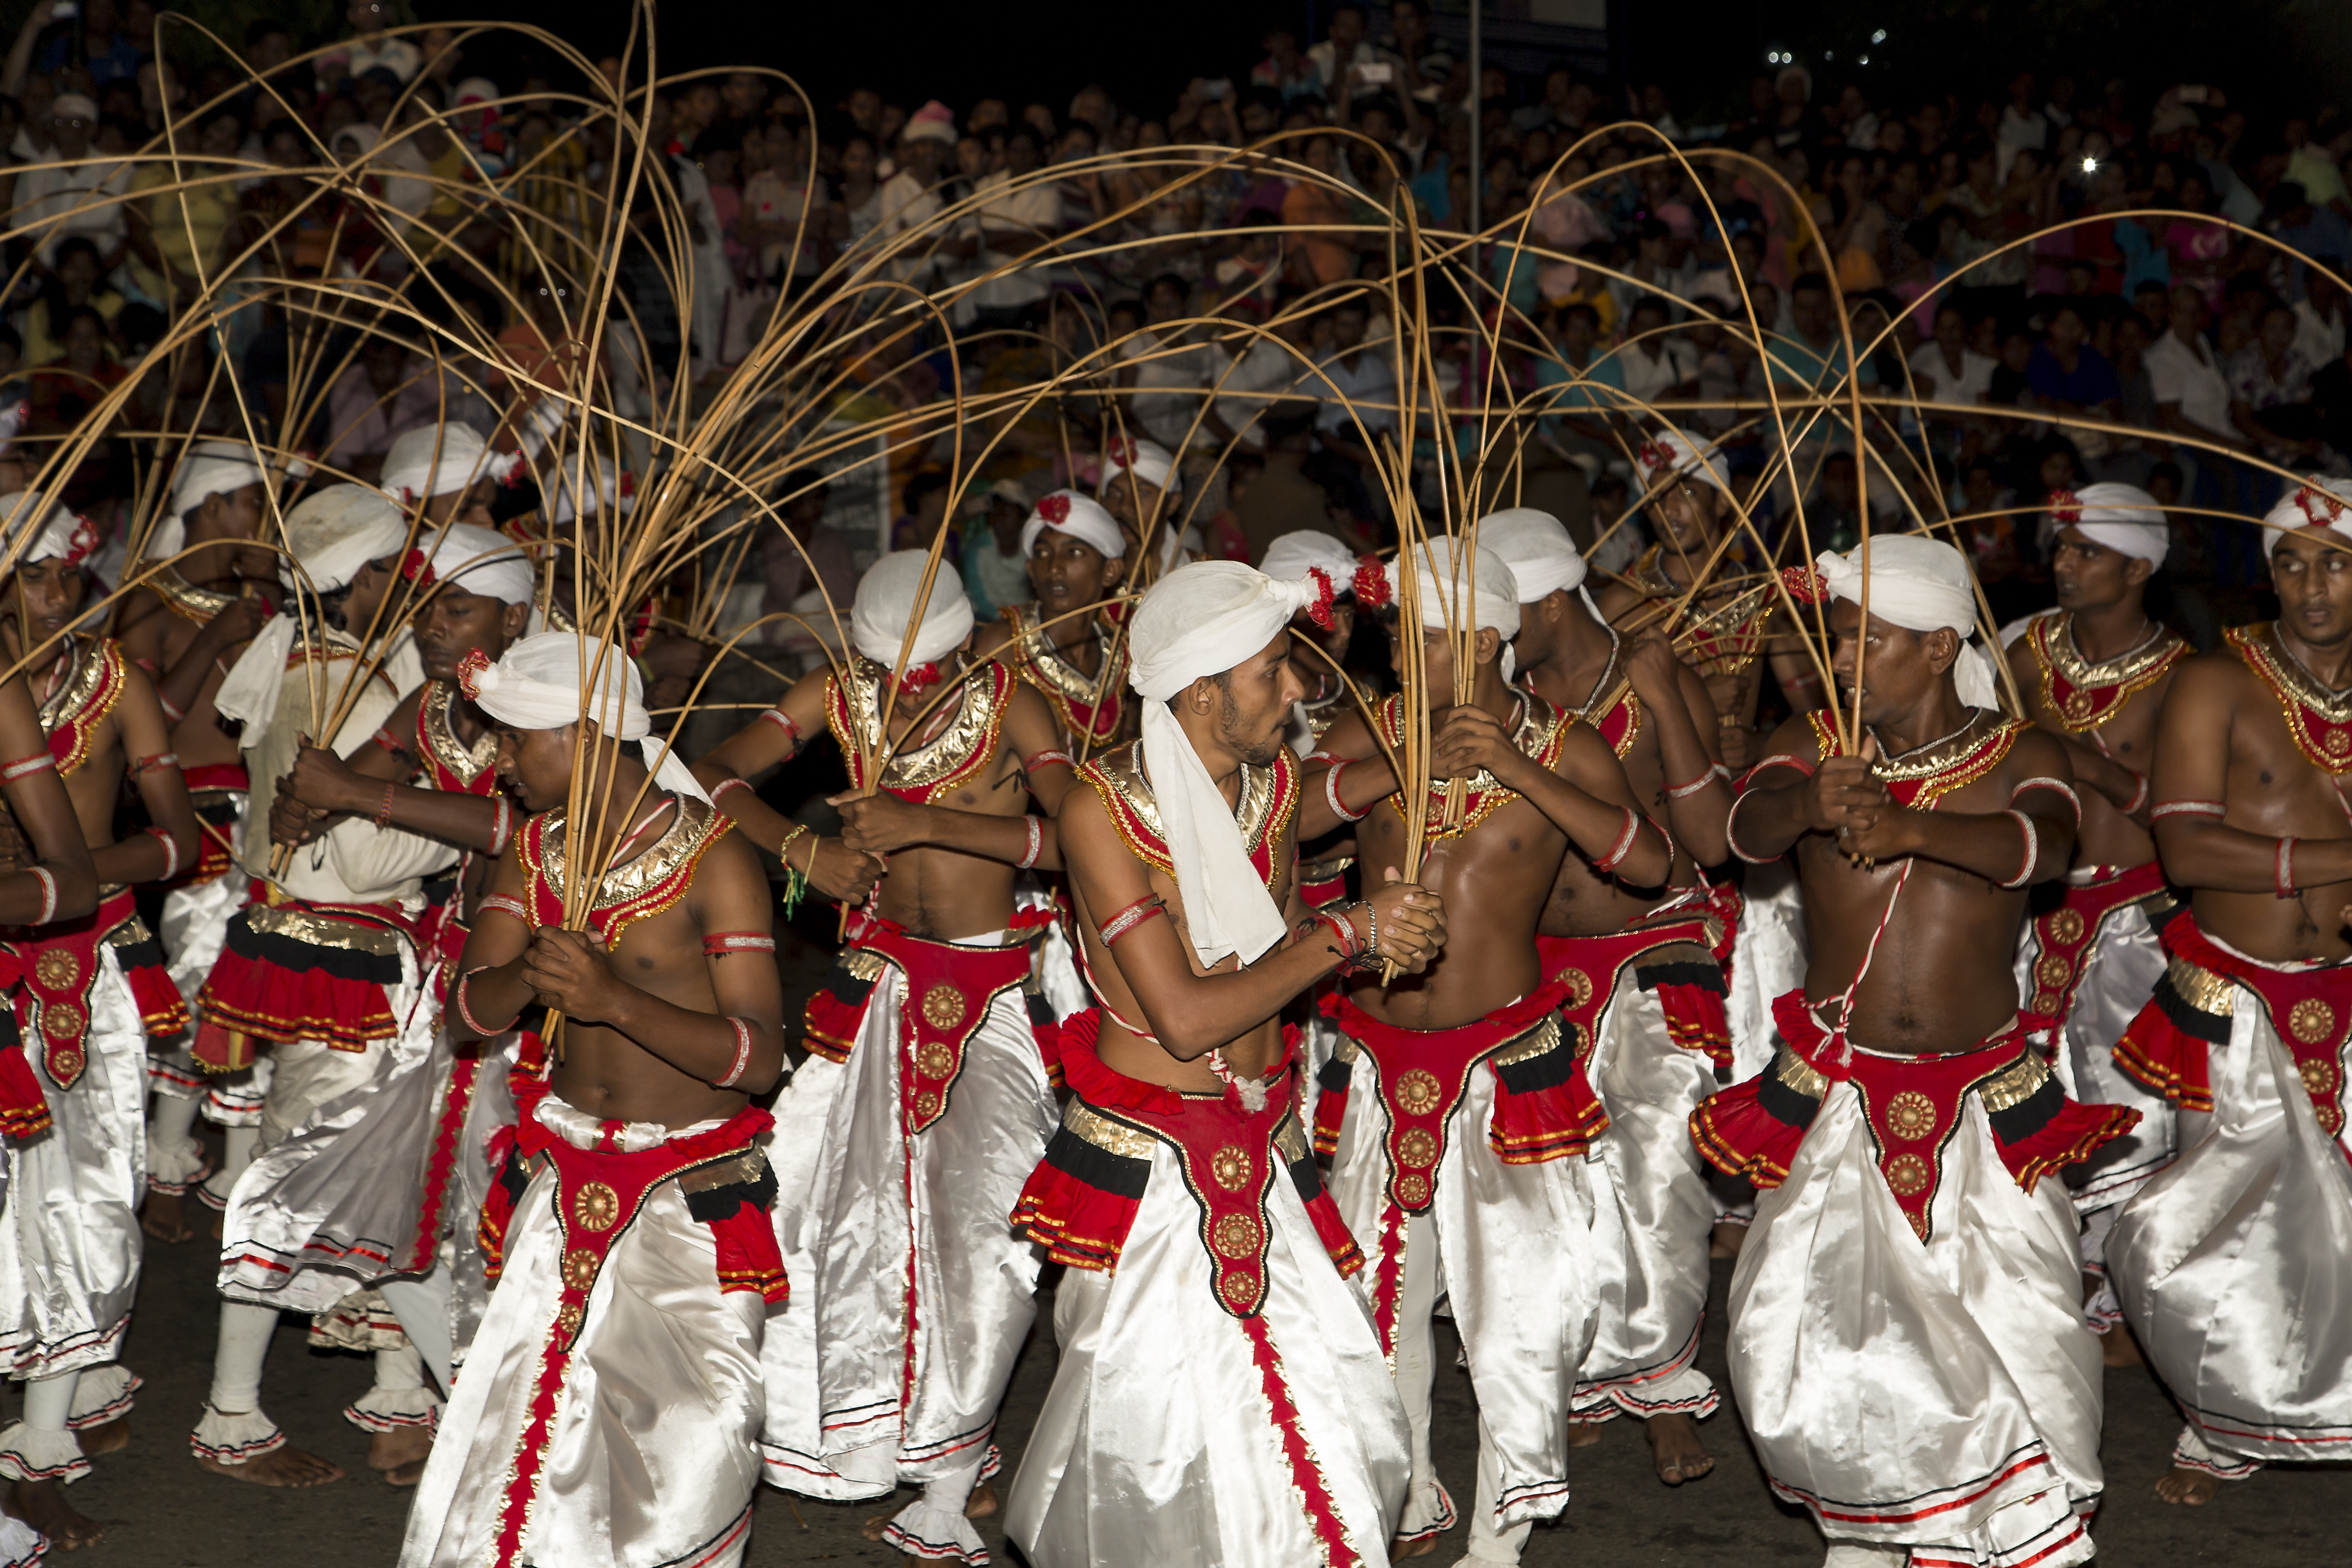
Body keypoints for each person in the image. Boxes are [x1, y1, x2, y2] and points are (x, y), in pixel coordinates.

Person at [1696, 534, 2132, 1568]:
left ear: (1939, 647)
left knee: (2023, 1335)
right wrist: (1807, 804)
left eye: (1867, 639)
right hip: (1836, 1089)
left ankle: (1995, 1529)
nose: (1842, 660)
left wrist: (1908, 828)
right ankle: (1869, 1531)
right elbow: (1738, 833)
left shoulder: (2020, 750)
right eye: (1838, 639)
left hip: (1983, 1096)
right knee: (1811, 1334)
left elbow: (2043, 848)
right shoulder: (1813, 741)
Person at [1003, 559, 1443, 1567]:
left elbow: (1275, 951)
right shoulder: (1100, 813)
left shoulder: (1272, 784)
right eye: (1273, 670)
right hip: (1155, 1170)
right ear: (1202, 692)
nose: (1297, 690)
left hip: (1268, 1142)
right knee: (1165, 1464)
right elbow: (1185, 1017)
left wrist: (1384, 932)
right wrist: (1348, 933)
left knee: (1336, 1430)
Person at [1307, 539, 1674, 1561]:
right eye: (1396, 637)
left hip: (1504, 1063)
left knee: (1518, 1311)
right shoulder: (1374, 726)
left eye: (1417, 639)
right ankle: (1404, 1489)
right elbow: (1286, 819)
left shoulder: (1561, 743)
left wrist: (1512, 767)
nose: (1396, 656)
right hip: (1377, 1057)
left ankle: (1497, 1542)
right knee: (1374, 1301)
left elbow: (1650, 861)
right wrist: (1397, 764)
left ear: (1478, 641)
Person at [716, 554, 1077, 1562]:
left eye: (920, 670)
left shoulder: (1016, 703)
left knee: (985, 1234)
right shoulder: (837, 693)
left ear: (961, 644)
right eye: (886, 671)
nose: (903, 691)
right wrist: (803, 850)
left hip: (989, 990)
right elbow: (714, 777)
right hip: (872, 985)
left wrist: (926, 821)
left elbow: (1074, 838)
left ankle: (949, 1486)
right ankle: (852, 1434)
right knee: (814, 1211)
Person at [397, 633, 785, 1568]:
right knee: (531, 1444)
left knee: (696, 1443)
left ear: (581, 732)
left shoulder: (716, 859)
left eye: (514, 737)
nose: (499, 760)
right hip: (564, 1176)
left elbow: (758, 1058)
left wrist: (614, 1000)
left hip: (689, 1191)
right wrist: (531, 974)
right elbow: (466, 1014)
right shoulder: (534, 852)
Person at [263, 522, 538, 1478]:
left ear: (513, 618)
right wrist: (307, 807)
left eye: (456, 608)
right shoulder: (432, 701)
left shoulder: (544, 702)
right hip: (449, 963)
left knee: (492, 1190)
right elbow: (359, 775)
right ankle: (443, 1398)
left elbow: (516, 827)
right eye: (424, 606)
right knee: (418, 1184)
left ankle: (508, 1404)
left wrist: (357, 795)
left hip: (534, 977)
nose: (430, 624)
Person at [188, 484, 441, 1488]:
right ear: (361, 579)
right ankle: (230, 1413)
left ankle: (399, 1394)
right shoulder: (336, 683)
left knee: (384, 1174)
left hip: (339, 950)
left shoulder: (310, 658)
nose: (410, 585)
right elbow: (363, 858)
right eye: (395, 570)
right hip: (343, 957)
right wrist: (476, 830)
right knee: (304, 1183)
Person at [2104, 478, 2352, 1504]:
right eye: (2290, 562)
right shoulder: (2215, 680)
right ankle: (2221, 1420)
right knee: (2218, 1229)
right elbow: (2186, 847)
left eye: (2335, 562)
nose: (2310, 585)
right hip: (2237, 995)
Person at [1481, 506, 1737, 1483]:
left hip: (1654, 942)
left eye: (1502, 610)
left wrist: (1666, 695)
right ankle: (1583, 1374)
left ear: (1551, 601)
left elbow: (1709, 839)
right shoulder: (1500, 694)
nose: (1485, 632)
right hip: (1533, 960)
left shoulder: (1647, 673)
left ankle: (1661, 1384)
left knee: (1660, 1168)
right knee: (1558, 1181)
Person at [0, 493, 187, 1551]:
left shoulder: (119, 684)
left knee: (85, 1200)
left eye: (67, 572)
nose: (54, 593)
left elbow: (179, 841)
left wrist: (61, 881)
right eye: (31, 575)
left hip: (87, 972)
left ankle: (37, 1450)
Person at [2000, 484, 2188, 1358]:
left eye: (2087, 552)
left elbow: (2180, 811)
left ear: (2139, 568)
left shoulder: (2184, 675)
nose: (2064, 564)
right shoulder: (2025, 651)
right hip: (2034, 905)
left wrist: (2085, 764)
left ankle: (2119, 1285)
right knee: (2030, 1090)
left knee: (2131, 1101)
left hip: (2133, 913)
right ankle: (2046, 1267)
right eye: (2062, 548)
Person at [113, 444, 278, 1241]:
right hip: (195, 819)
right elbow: (140, 725)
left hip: (266, 820)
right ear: (212, 507)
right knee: (196, 988)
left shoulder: (265, 600)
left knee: (259, 990)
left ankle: (241, 1179)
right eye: (252, 504)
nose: (263, 522)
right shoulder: (147, 601)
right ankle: (166, 1161)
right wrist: (213, 639)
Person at [1595, 429, 1824, 772]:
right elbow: (1595, 729)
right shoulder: (1625, 604)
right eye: (1656, 496)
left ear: (1721, 502)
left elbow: (1819, 723)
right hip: (1662, 792)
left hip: (1744, 791)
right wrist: (1693, 701)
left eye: (1687, 492)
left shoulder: (1763, 598)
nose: (1668, 510)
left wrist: (1761, 745)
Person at [972, 489, 1131, 753]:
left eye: (1074, 553)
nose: (1055, 568)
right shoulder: (1003, 647)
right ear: (1031, 571)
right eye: (1043, 554)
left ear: (1110, 571)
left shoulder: (1123, 654)